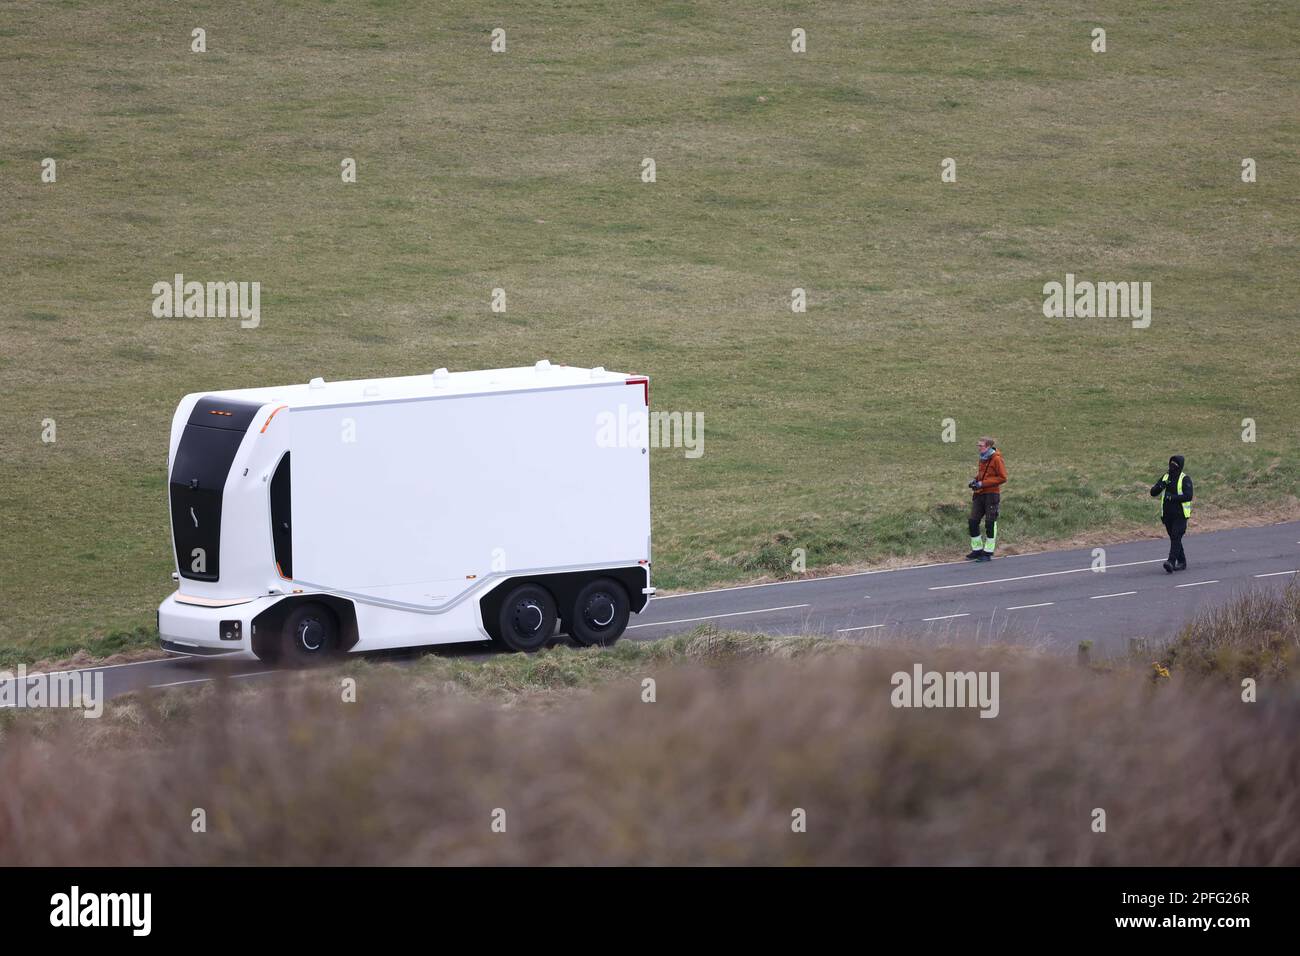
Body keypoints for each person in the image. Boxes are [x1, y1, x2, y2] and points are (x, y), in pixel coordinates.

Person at [965, 437, 1007, 562]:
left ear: (988, 446)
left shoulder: (997, 459)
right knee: (973, 521)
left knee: (990, 523)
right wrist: (975, 480)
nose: (979, 448)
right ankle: (977, 549)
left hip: (992, 495)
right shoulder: (982, 458)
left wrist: (983, 484)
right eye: (978, 445)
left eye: (981, 446)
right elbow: (983, 475)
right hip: (980, 494)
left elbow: (1003, 477)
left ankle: (988, 552)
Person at [1150, 455, 1193, 572]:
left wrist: (1172, 497)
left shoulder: (1185, 479)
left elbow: (1188, 496)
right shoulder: (1166, 477)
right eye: (1171, 463)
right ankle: (1182, 562)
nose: (1172, 466)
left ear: (1180, 466)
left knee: (1175, 536)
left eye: (1175, 464)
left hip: (1181, 515)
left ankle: (1171, 562)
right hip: (1168, 515)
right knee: (1175, 538)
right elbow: (1153, 492)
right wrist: (1160, 486)